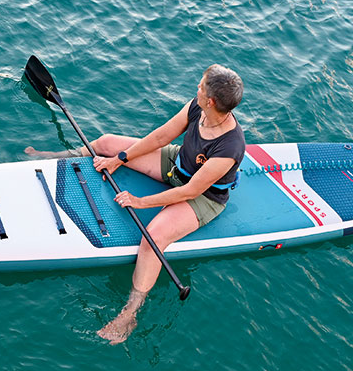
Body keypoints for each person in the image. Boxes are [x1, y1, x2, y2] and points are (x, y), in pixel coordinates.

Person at [26, 65, 246, 344]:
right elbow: (160, 137)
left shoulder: (230, 147)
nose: (197, 89)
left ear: (211, 101)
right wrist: (121, 157)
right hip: (177, 164)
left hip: (202, 196)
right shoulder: (196, 108)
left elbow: (190, 191)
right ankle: (58, 156)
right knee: (106, 143)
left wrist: (140, 202)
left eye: (201, 87)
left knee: (154, 236)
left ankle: (130, 312)